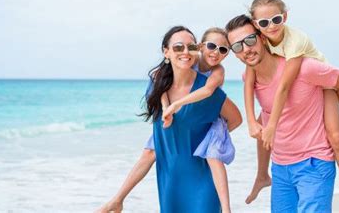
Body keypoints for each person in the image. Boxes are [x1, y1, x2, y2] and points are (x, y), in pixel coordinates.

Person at [97, 26, 242, 213]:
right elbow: (151, 152)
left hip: (202, 181)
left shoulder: (210, 91)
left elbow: (236, 119)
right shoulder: (156, 87)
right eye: (178, 47)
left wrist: (207, 140)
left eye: (190, 47)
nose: (185, 52)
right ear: (166, 52)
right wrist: (118, 198)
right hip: (170, 181)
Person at [226, 14, 339, 213]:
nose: (246, 49)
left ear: (262, 37)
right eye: (237, 46)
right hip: (281, 168)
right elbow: (265, 118)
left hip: (314, 163)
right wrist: (262, 173)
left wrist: (323, 105)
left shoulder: (306, 68)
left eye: (250, 40)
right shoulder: (249, 77)